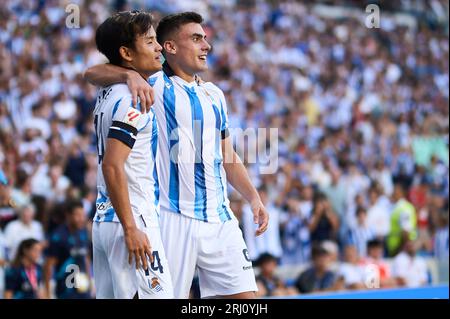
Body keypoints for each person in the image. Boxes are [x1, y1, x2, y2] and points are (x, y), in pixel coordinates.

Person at [84, 11, 269, 299]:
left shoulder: (214, 94)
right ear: (169, 46)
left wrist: (253, 197)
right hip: (172, 217)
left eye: (205, 39)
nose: (206, 46)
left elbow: (227, 153)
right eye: (196, 39)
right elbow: (91, 73)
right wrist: (129, 74)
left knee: (246, 301)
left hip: (220, 217)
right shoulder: (153, 84)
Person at [88, 11, 173, 299]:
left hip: (104, 220)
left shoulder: (109, 89)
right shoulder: (133, 99)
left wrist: (130, 73)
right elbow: (113, 166)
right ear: (126, 53)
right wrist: (131, 228)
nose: (159, 47)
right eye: (150, 42)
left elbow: (90, 72)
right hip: (132, 218)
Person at [43, 201, 92, 299]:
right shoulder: (58, 236)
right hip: (65, 291)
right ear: (68, 215)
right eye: (77, 215)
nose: (81, 219)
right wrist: (47, 293)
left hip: (83, 290)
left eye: (83, 215)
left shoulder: (83, 233)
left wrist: (89, 281)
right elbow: (48, 265)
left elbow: (86, 258)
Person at [387, 182, 418, 256]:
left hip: (399, 250)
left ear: (402, 193)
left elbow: (405, 232)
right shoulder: (396, 207)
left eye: (395, 191)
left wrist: (401, 251)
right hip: (395, 249)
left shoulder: (404, 208)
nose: (393, 193)